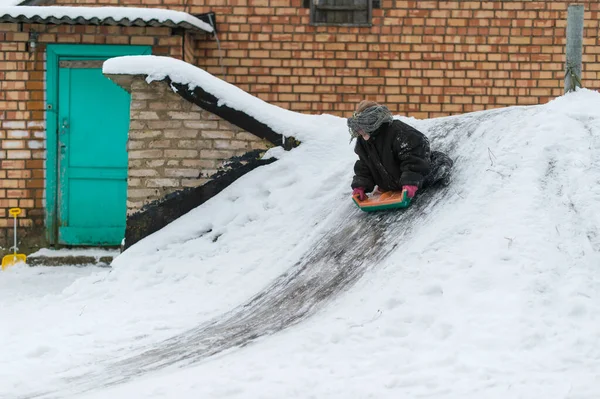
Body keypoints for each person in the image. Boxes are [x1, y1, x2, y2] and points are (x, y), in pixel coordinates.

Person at [348, 100, 453, 201]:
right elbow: (364, 165)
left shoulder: (398, 132)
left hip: (417, 176)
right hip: (392, 182)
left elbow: (413, 155)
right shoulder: (363, 142)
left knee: (432, 172)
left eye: (363, 127)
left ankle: (441, 162)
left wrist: (410, 181)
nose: (360, 131)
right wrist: (360, 185)